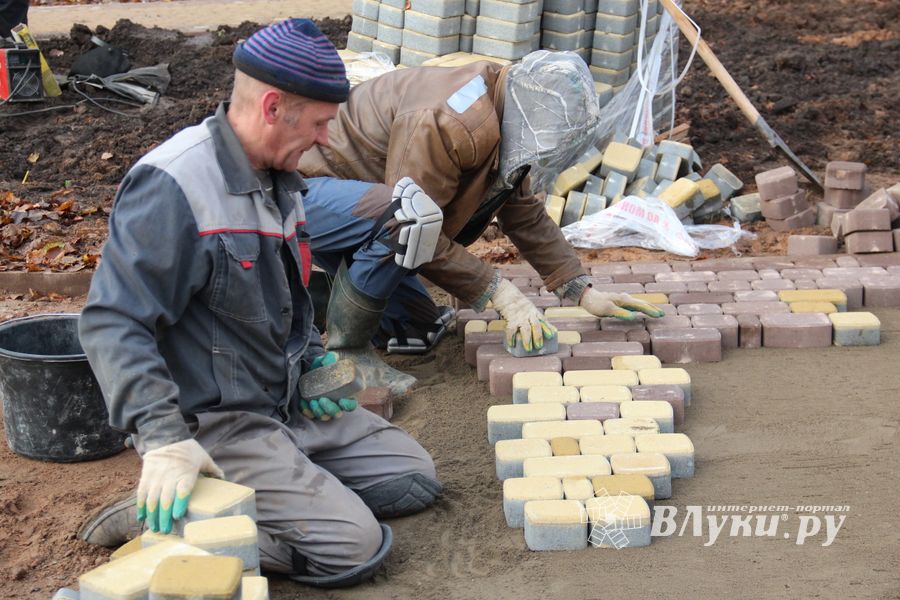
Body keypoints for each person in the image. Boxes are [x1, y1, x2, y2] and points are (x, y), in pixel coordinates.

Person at [77, 19, 442, 588]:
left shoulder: (281, 182)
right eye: (319, 123)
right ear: (274, 108)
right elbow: (112, 321)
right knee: (355, 547)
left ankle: (281, 485)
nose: (326, 139)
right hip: (218, 424)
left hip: (282, 407)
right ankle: (181, 514)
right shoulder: (175, 185)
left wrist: (313, 362)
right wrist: (163, 437)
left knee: (412, 479)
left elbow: (289, 300)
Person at [299, 50, 663, 394]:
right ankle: (348, 353)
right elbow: (408, 220)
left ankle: (321, 295)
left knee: (419, 329)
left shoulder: (507, 108)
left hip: (362, 203)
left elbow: (522, 211)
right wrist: (501, 293)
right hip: (301, 194)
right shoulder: (451, 121)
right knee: (408, 222)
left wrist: (580, 289)